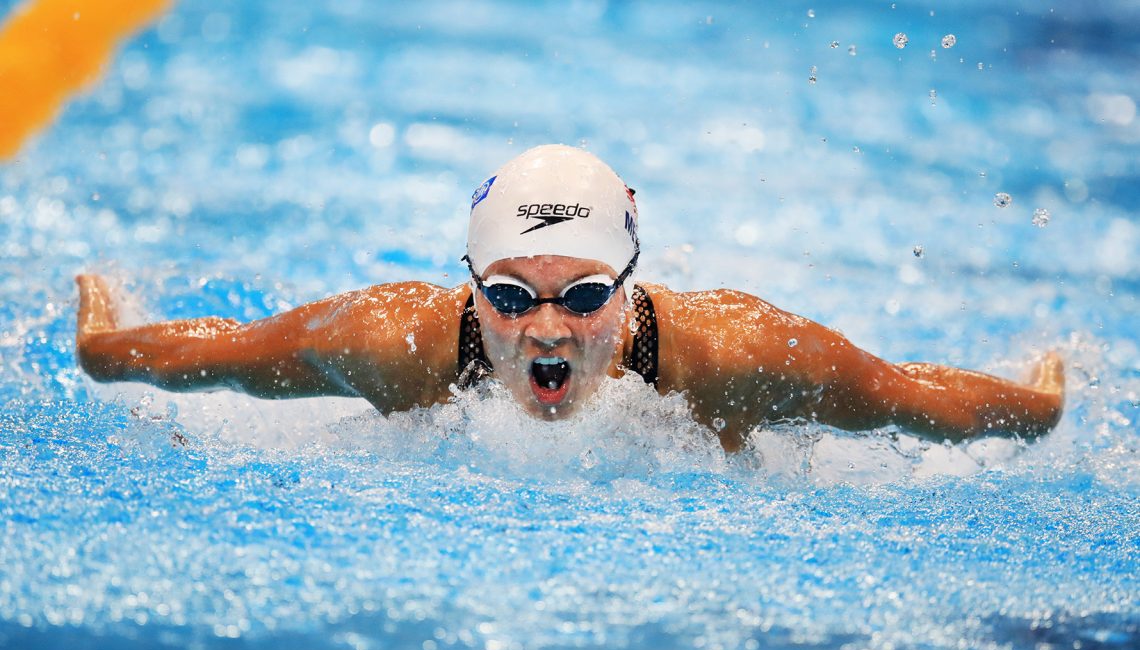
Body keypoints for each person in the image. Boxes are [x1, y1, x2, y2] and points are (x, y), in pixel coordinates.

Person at [75, 144, 1064, 451]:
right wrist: (107, 346)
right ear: (471, 282)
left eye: (583, 293)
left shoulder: (735, 355)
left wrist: (1038, 403)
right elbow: (228, 355)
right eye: (509, 294)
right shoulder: (393, 342)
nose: (545, 327)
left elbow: (911, 398)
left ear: (629, 287)